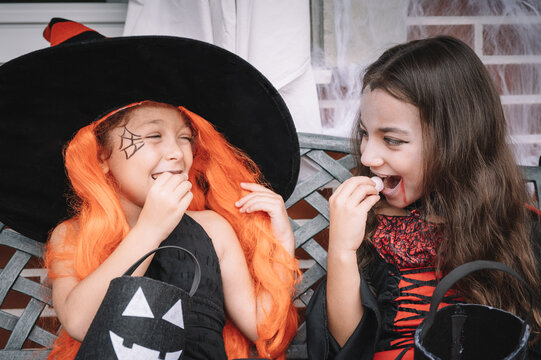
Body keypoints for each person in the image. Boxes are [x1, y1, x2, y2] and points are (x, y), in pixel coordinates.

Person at [0, 19, 301, 360]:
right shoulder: (71, 235)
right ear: (101, 157)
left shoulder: (213, 229)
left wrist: (281, 245)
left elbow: (262, 328)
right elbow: (82, 323)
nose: (176, 152)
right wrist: (150, 230)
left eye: (185, 137)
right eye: (154, 135)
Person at [306, 35, 541, 359]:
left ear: (453, 140)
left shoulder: (515, 225)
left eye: (391, 140)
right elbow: (347, 347)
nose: (370, 156)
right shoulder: (371, 222)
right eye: (364, 133)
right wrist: (343, 249)